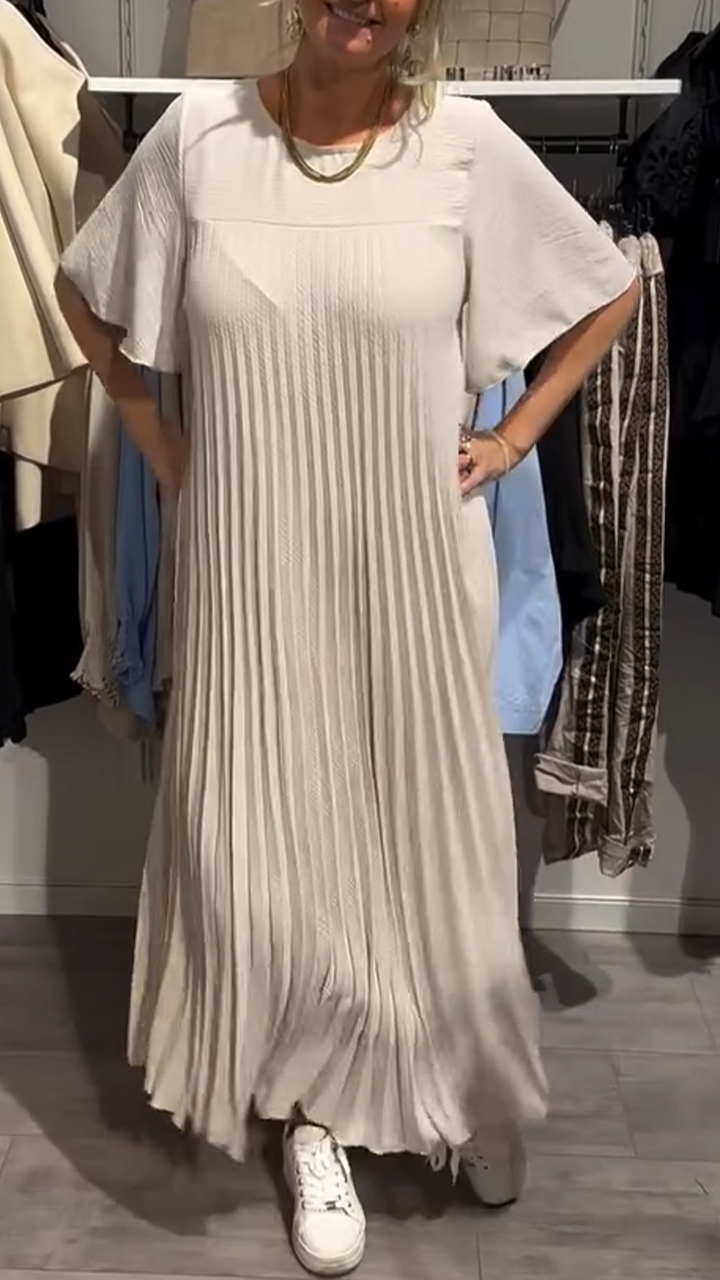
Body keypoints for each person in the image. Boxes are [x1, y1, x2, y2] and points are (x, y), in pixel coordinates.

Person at [56, 0, 639, 1274]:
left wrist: (514, 436)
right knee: (275, 841)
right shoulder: (197, 142)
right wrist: (159, 440)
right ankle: (311, 1110)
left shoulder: (465, 146)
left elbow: (610, 288)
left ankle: (462, 1081)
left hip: (415, 567)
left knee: (435, 832)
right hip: (250, 567)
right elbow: (83, 288)